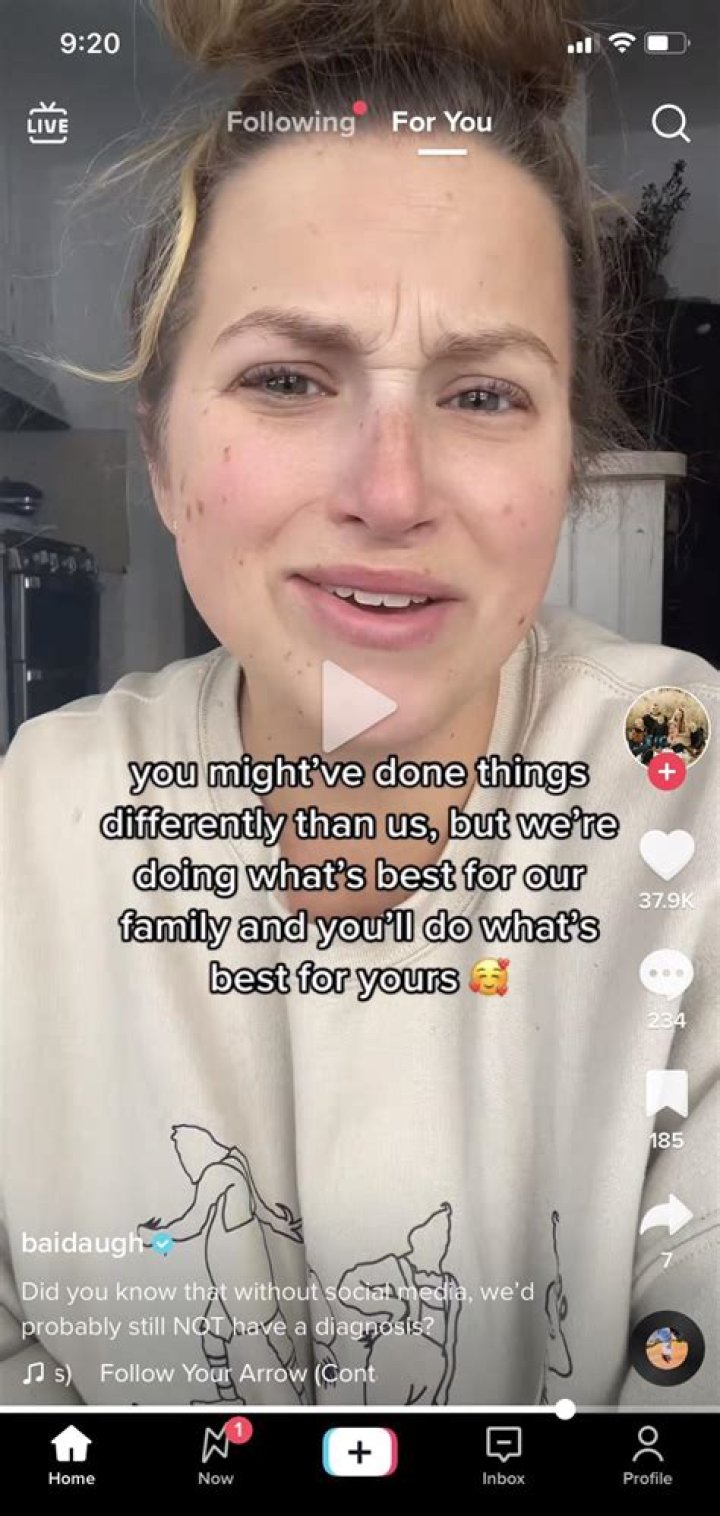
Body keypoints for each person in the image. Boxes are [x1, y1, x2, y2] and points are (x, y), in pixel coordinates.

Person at [1, 0, 718, 1409]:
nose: (391, 492)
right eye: (286, 378)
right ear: (160, 454)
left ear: (569, 468)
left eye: (484, 396)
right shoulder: (35, 823)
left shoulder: (689, 800)